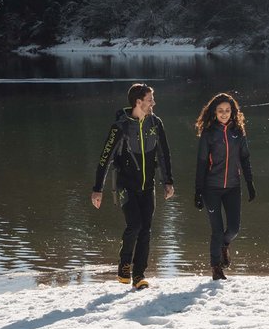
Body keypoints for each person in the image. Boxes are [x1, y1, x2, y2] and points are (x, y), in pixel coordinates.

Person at [91, 83, 175, 290]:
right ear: (138, 102)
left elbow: (164, 154)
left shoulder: (156, 123)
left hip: (148, 186)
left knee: (146, 230)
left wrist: (168, 181)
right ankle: (125, 262)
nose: (153, 103)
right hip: (125, 186)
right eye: (150, 99)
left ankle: (139, 275)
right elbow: (105, 158)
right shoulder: (120, 127)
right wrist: (98, 189)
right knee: (134, 225)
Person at [194, 92, 256, 280]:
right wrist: (198, 191)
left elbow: (245, 158)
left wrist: (250, 183)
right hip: (211, 188)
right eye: (220, 110)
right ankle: (216, 268)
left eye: (227, 110)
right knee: (217, 231)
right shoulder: (208, 133)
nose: (224, 114)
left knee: (234, 229)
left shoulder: (238, 132)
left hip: (233, 187)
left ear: (232, 112)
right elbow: (201, 163)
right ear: (214, 112)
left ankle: (224, 245)